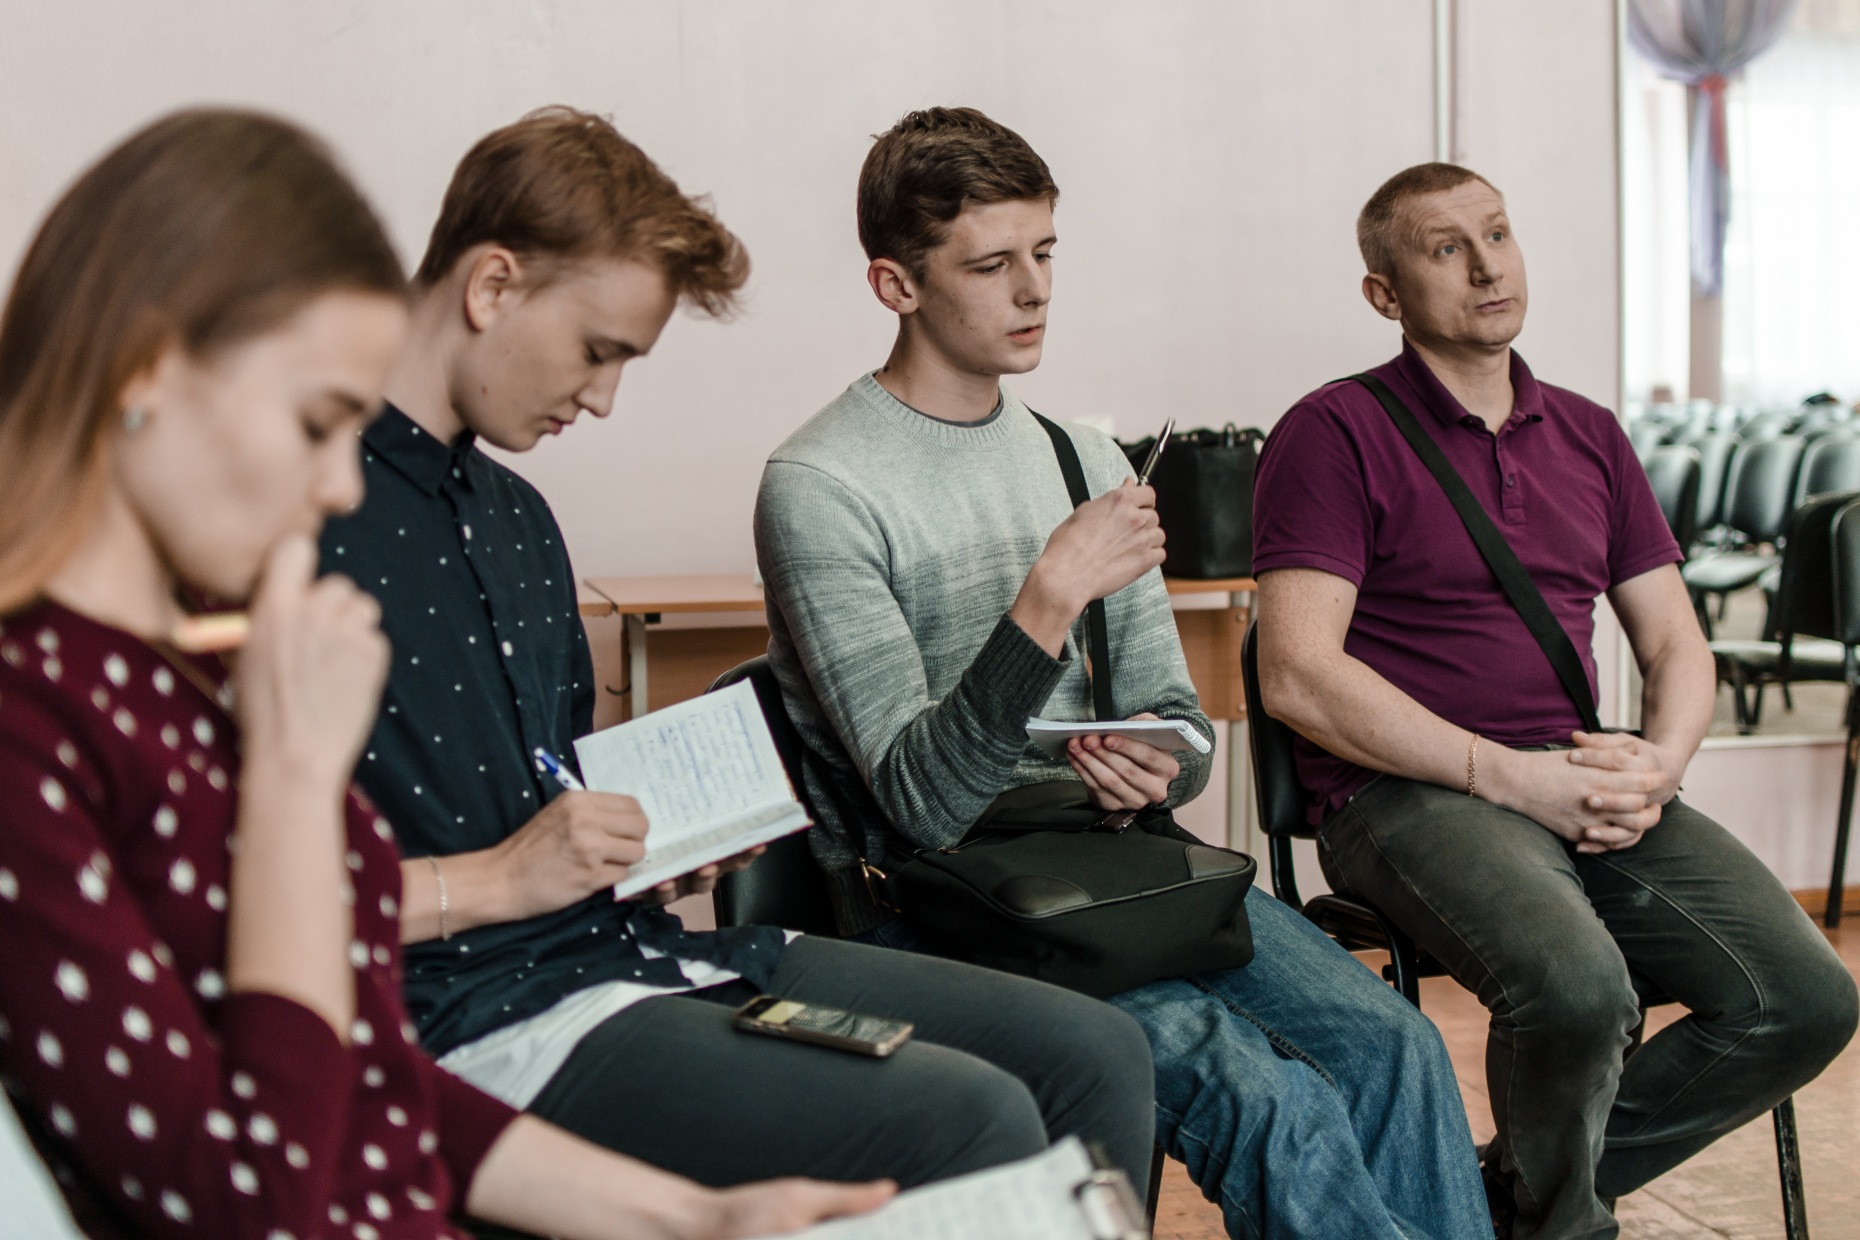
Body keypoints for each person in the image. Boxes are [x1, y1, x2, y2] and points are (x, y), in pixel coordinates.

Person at [0, 107, 892, 1240]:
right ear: (146, 375)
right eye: (318, 423)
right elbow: (249, 1203)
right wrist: (292, 785)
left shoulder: (179, 681)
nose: (342, 488)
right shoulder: (40, 720)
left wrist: (690, 1218)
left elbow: (374, 1079)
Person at [317, 106, 1158, 1202]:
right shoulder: (299, 521)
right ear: (492, 286)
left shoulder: (520, 521)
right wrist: (504, 878)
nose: (604, 398)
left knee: (1096, 1054)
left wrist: (645, 844)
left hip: (624, 952)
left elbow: (550, 791)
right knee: (975, 1114)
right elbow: (224, 888)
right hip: (472, 1009)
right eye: (597, 352)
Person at [754, 105, 1492, 1240]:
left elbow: (1181, 728)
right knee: (1270, 1103)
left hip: (1114, 863)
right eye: (991, 265)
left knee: (1396, 1044)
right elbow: (922, 802)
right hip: (943, 901)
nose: (1033, 290)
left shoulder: (1081, 457)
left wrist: (1157, 764)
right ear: (895, 285)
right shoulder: (820, 485)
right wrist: (1046, 598)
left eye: (1045, 253)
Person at [1251, 161, 1859, 1239]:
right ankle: (1562, 1225)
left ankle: (1502, 1201)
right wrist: (1512, 779)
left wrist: (1660, 764)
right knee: (1578, 989)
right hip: (1407, 793)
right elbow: (1297, 673)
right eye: (1447, 249)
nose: (1488, 266)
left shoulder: (1589, 432)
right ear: (1385, 294)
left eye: (1497, 234)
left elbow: (1675, 642)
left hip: (1577, 773)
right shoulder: (1333, 430)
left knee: (1806, 998)